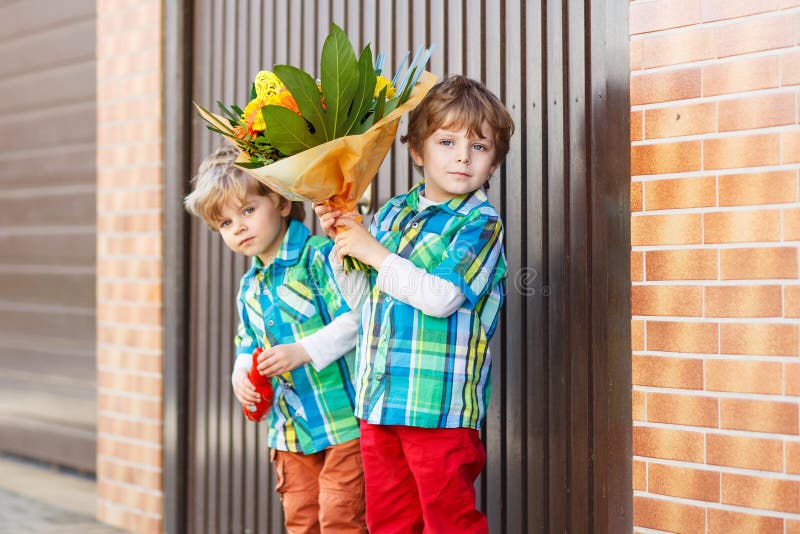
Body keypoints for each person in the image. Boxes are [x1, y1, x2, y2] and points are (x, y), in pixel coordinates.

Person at [315, 75, 514, 533]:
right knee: (389, 522)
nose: (463, 156)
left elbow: (441, 298)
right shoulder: (391, 214)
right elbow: (365, 304)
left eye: (479, 146)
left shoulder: (479, 225)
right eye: (447, 141)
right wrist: (345, 249)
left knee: (449, 522)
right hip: (379, 402)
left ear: (494, 161)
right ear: (417, 150)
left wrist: (371, 250)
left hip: (437, 410)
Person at [185, 144, 366, 533]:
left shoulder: (318, 258)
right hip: (290, 429)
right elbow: (246, 341)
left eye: (248, 211)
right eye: (226, 223)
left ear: (281, 204)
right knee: (301, 518)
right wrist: (239, 372)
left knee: (341, 518)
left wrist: (304, 350)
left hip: (343, 422)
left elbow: (357, 319)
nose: (240, 228)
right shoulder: (249, 286)